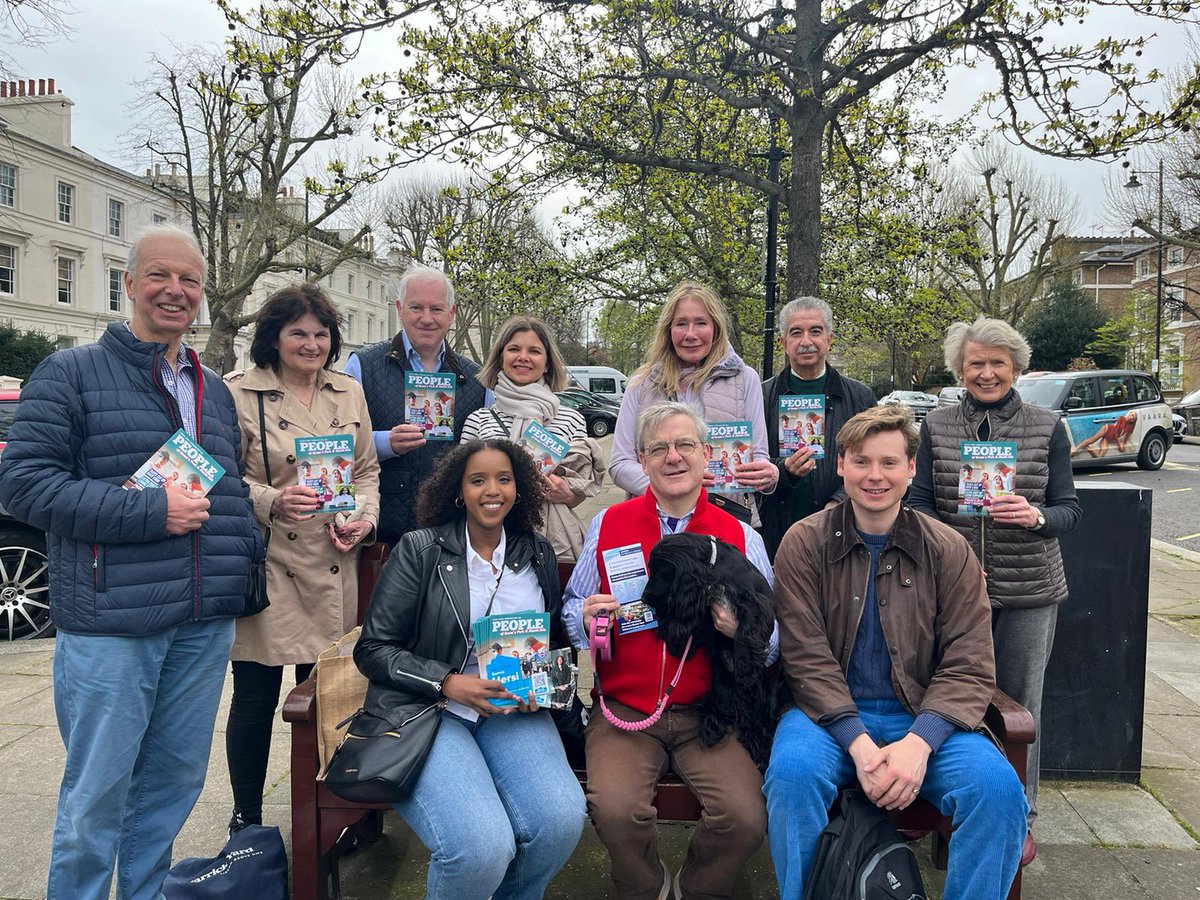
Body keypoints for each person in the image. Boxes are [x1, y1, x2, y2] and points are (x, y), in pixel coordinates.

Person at [0, 225, 261, 900]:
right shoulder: (69, 372)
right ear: (129, 284)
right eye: (160, 276)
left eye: (190, 280)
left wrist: (238, 578)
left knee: (171, 787)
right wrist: (149, 512)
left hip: (200, 623)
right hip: (111, 623)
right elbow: (23, 486)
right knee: (97, 797)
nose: (176, 291)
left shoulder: (215, 390)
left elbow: (224, 490)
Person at [766, 405, 1027, 900]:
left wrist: (918, 744)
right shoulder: (803, 542)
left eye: (889, 463)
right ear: (840, 465)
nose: (875, 476)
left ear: (911, 468)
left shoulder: (948, 549)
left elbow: (969, 661)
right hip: (826, 717)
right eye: (862, 462)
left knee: (997, 792)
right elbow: (804, 655)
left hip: (926, 716)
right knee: (792, 778)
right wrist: (859, 744)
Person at [354, 439, 586, 899]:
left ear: (520, 489)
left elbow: (552, 640)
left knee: (559, 821)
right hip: (427, 711)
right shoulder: (420, 550)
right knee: (479, 847)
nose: (492, 490)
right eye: (478, 480)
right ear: (458, 491)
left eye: (504, 479)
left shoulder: (535, 552)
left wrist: (546, 682)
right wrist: (445, 682)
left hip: (510, 709)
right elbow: (374, 648)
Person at [564, 402, 775, 900]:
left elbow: (773, 640)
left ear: (706, 455)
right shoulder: (610, 524)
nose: (673, 457)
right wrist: (588, 619)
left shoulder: (741, 535)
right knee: (616, 811)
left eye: (684, 446)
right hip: (625, 710)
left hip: (712, 713)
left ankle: (697, 887)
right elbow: (574, 609)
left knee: (745, 818)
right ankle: (646, 886)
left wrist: (739, 631)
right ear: (642, 458)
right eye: (659, 447)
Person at [907, 317, 1081, 862]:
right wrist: (952, 560)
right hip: (953, 594)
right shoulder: (935, 426)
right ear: (960, 369)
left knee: (1020, 710)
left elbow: (1069, 510)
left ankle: (1018, 819)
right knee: (950, 703)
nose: (986, 373)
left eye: (997, 363)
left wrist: (1035, 517)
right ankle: (952, 814)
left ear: (1016, 368)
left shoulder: (1046, 425)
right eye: (976, 363)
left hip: (1028, 591)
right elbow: (918, 506)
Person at [223, 283, 381, 836]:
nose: (311, 344)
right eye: (298, 333)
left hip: (336, 559)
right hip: (270, 565)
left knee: (333, 696)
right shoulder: (238, 393)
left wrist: (363, 517)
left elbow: (365, 471)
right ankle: (247, 818)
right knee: (256, 697)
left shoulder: (347, 391)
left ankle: (339, 813)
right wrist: (271, 500)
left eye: (321, 334)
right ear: (274, 337)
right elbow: (220, 476)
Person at [344, 264, 490, 546]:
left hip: (452, 535)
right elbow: (338, 443)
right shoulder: (362, 365)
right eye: (416, 308)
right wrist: (386, 442)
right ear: (399, 309)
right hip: (378, 536)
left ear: (452, 313)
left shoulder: (477, 380)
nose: (426, 318)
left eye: (436, 309)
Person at [609, 281, 777, 524]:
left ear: (715, 329)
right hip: (655, 521)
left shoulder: (744, 378)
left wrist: (768, 475)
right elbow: (620, 464)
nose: (690, 334)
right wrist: (675, 487)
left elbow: (759, 457)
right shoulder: (641, 383)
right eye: (681, 324)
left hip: (725, 519)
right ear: (668, 330)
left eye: (701, 323)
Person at [460, 315, 607, 561]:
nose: (523, 357)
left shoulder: (571, 419)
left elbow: (579, 486)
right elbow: (462, 485)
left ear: (547, 363)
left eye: (535, 351)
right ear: (501, 358)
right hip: (487, 544)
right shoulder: (478, 420)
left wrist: (568, 494)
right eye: (514, 349)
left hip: (548, 545)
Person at [759, 296, 876, 560]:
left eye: (815, 331)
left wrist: (838, 501)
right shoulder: (761, 396)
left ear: (829, 339)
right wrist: (783, 469)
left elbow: (873, 461)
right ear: (783, 343)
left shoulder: (860, 397)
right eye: (796, 333)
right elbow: (753, 459)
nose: (806, 341)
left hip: (845, 528)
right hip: (778, 530)